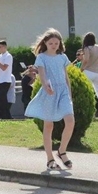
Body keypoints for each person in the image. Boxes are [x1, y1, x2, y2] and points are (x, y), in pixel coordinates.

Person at [25, 28, 75, 170]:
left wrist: (69, 94)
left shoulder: (63, 57)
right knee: (49, 126)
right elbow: (42, 74)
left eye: (56, 43)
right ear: (45, 43)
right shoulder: (41, 57)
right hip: (50, 93)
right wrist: (47, 86)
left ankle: (62, 151)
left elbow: (66, 77)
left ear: (60, 44)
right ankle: (50, 159)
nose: (54, 45)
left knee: (70, 121)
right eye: (51, 43)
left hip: (63, 92)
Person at [79, 32, 98, 118]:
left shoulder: (86, 48)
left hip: (88, 72)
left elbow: (86, 60)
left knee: (86, 93)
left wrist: (81, 70)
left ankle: (90, 113)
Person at [0, 40, 13, 119]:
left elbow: (4, 67)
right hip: (0, 80)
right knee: (3, 99)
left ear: (5, 47)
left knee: (1, 99)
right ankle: (7, 116)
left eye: (0, 47)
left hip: (6, 80)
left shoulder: (8, 56)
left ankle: (4, 116)